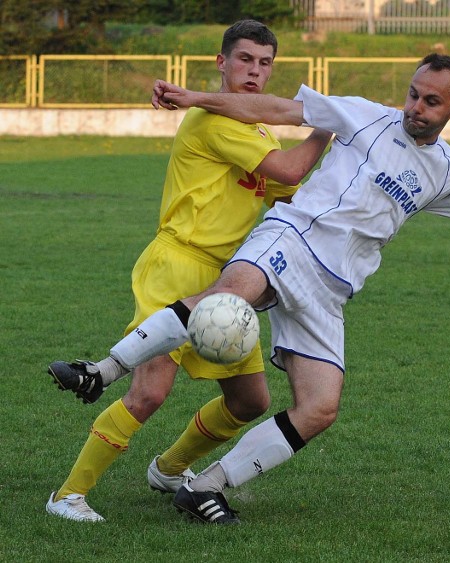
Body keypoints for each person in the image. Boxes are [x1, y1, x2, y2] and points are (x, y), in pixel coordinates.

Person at [53, 53, 450, 525]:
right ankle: (99, 371)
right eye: (413, 94)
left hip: (331, 291)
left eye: (431, 101)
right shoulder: (363, 115)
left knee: (320, 408)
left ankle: (205, 486)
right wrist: (198, 97)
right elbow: (275, 107)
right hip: (292, 236)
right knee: (229, 296)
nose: (416, 108)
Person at [45, 20, 332, 523]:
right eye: (244, 59)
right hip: (176, 266)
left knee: (249, 401)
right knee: (149, 392)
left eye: (265, 63)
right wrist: (330, 124)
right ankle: (68, 495)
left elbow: (287, 189)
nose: (255, 72)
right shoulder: (212, 122)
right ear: (221, 63)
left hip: (225, 283)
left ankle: (168, 469)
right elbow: (288, 170)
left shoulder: (258, 129)